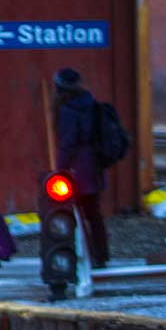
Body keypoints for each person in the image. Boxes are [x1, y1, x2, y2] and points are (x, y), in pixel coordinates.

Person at [53, 66, 113, 269]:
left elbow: (68, 143)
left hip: (77, 170)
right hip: (94, 166)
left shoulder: (68, 110)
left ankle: (86, 255)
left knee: (75, 214)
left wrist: (59, 169)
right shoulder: (91, 104)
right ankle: (101, 254)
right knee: (94, 214)